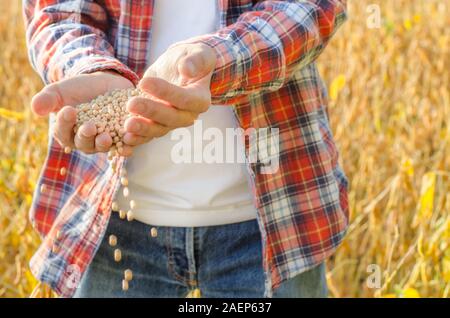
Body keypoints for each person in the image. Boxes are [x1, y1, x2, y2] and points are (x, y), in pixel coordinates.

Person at [23, 0, 349, 298]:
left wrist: (216, 58)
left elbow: (310, 7)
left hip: (270, 223)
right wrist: (89, 67)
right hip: (115, 221)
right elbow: (57, 12)